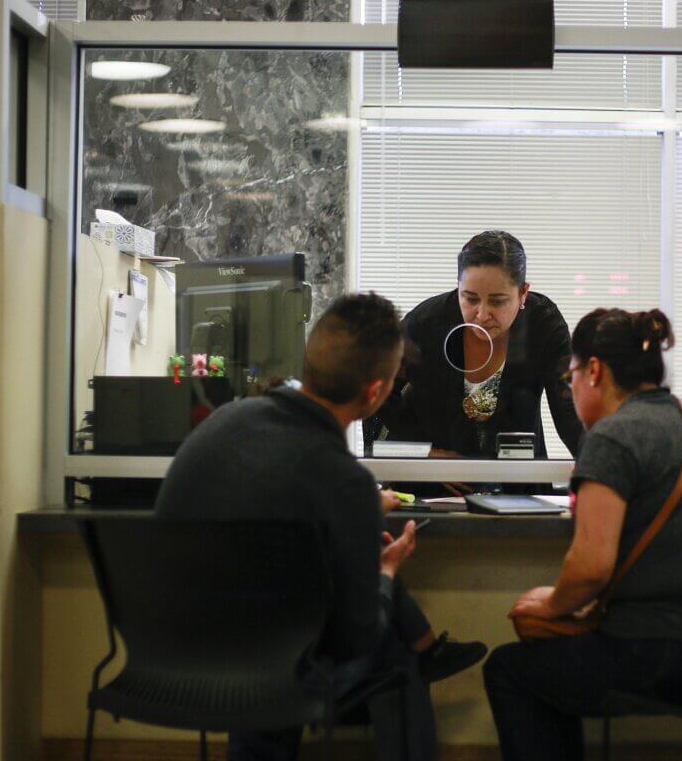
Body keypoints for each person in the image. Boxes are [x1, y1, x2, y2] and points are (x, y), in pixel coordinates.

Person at [156, 293, 485, 761]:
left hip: (167, 646)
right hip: (266, 669)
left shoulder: (226, 420)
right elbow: (355, 637)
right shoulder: (343, 478)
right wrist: (386, 573)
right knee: (393, 653)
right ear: (375, 393)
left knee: (276, 628)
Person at [482, 308, 682, 761]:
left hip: (668, 656)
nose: (569, 389)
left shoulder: (612, 438)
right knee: (555, 666)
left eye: (570, 375)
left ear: (594, 370)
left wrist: (552, 605)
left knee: (511, 671)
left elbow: (591, 568)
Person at [364, 231, 583, 480]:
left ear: (523, 293)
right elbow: (376, 391)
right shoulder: (427, 322)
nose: (481, 314)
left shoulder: (543, 324)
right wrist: (423, 454)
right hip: (438, 483)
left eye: (497, 301)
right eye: (470, 299)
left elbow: (570, 410)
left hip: (517, 477)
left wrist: (595, 464)